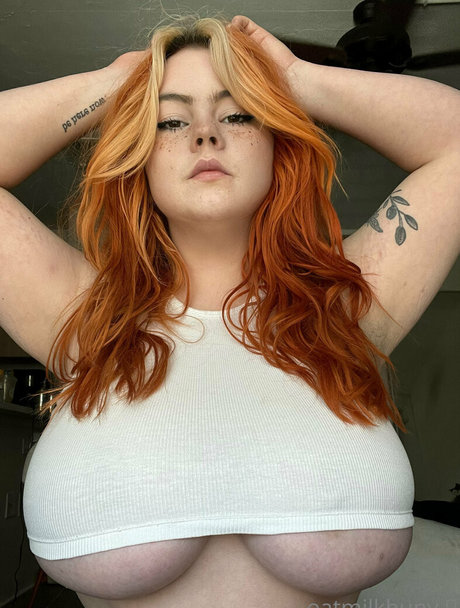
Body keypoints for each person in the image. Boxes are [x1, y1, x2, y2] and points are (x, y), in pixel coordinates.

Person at [1, 11, 458, 608]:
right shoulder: (89, 319)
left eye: (239, 114)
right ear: (139, 155)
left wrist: (295, 79)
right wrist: (118, 83)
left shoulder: (341, 312)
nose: (205, 134)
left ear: (276, 145)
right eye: (169, 120)